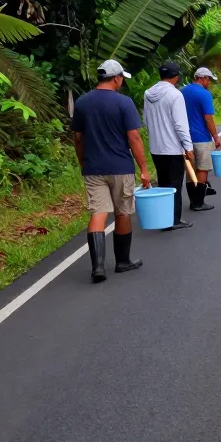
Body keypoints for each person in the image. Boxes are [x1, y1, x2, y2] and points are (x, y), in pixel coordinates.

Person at [71, 59, 150, 283]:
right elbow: (134, 137)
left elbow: (77, 137)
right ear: (116, 78)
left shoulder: (83, 102)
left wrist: (82, 162)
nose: (122, 81)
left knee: (98, 213)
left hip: (93, 167)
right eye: (121, 78)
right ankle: (123, 261)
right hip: (120, 167)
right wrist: (143, 168)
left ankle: (97, 267)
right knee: (122, 212)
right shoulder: (123, 103)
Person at [143, 61, 194, 231]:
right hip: (172, 148)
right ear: (176, 76)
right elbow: (180, 125)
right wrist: (188, 147)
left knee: (163, 184)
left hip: (156, 147)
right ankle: (173, 220)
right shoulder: (175, 95)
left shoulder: (148, 93)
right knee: (174, 187)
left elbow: (146, 121)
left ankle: (163, 218)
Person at [182, 67, 221, 211]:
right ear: (203, 78)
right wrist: (215, 136)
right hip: (201, 137)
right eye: (209, 79)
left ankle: (193, 200)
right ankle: (198, 203)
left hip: (185, 138)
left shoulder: (182, 91)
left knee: (190, 170)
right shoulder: (204, 94)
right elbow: (208, 118)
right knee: (202, 169)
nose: (209, 82)